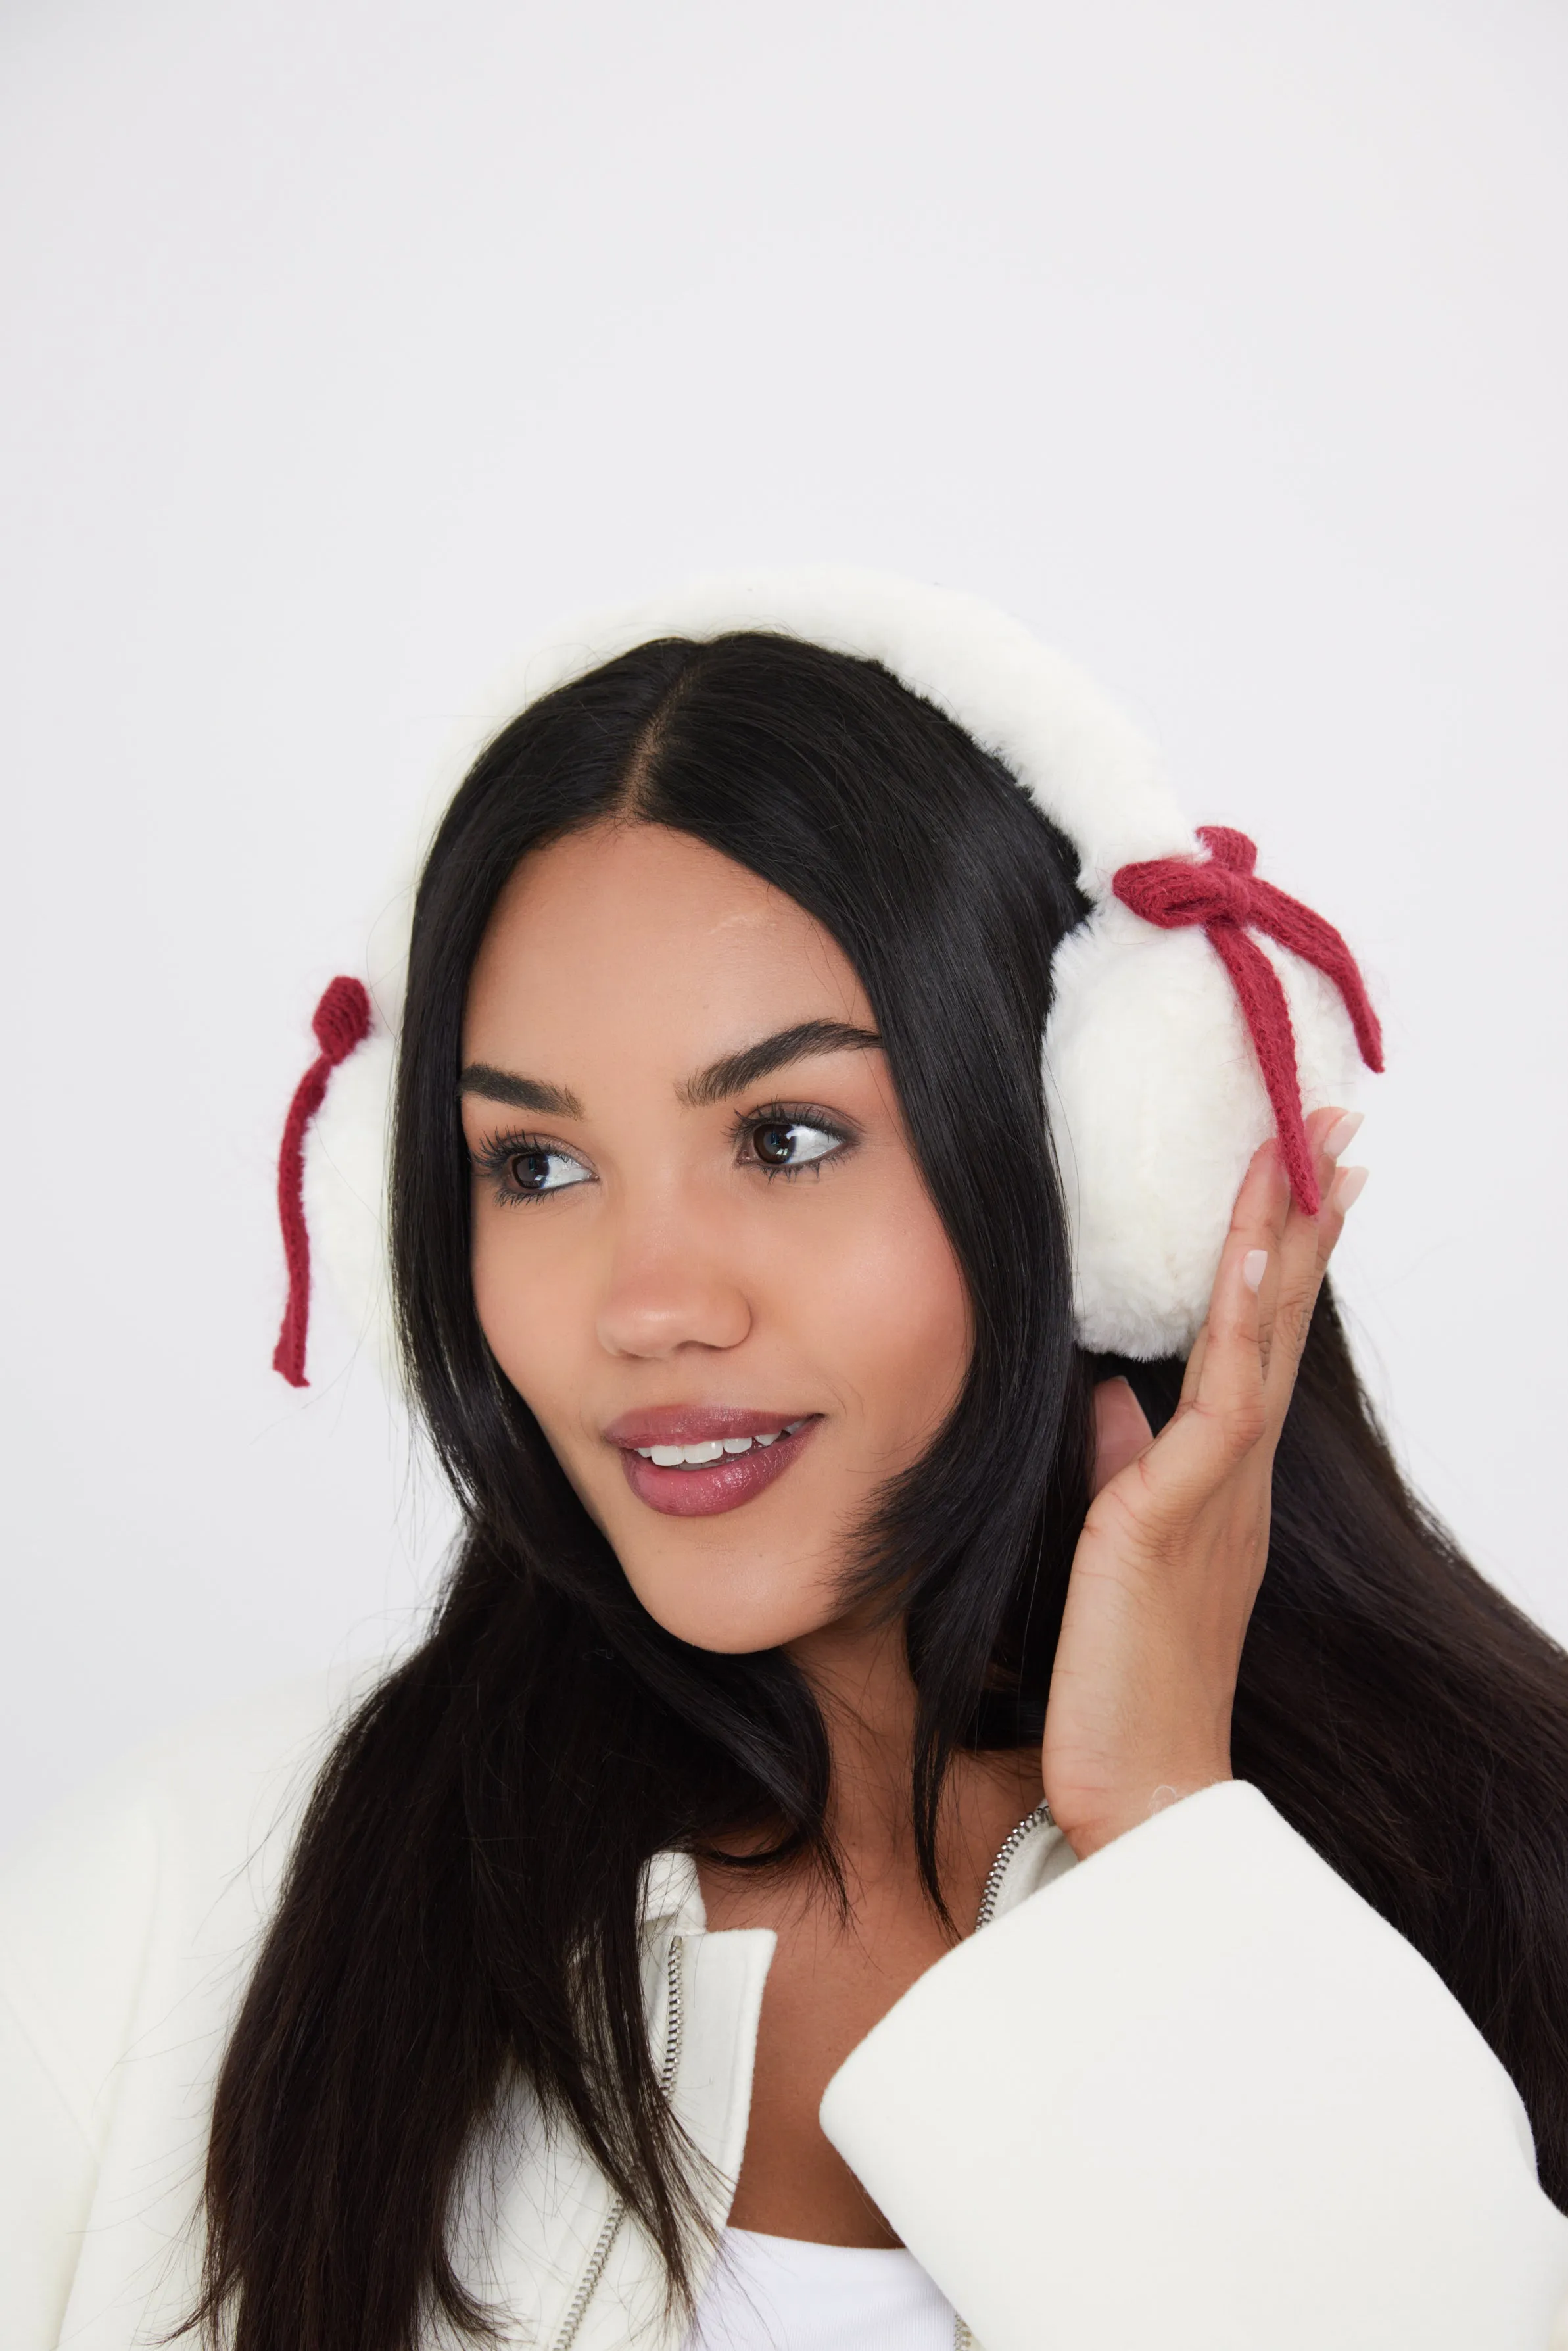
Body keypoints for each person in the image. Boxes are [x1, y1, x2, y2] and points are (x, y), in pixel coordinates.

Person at [5, 571, 1568, 2351]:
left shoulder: (1498, 1878)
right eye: (533, 1165)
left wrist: (1168, 1845)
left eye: (788, 1132)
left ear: (1091, 1169)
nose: (646, 1305)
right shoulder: (173, 1909)